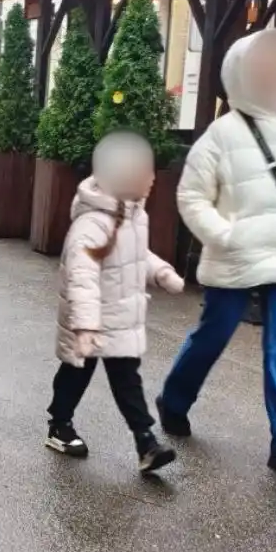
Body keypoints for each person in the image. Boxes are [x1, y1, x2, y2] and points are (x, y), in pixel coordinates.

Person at [157, 27, 276, 484]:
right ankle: (174, 399)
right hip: (236, 257)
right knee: (213, 335)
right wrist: (223, 235)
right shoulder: (221, 135)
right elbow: (191, 196)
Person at [48, 131, 187, 475]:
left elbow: (135, 255)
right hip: (90, 320)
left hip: (119, 317)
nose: (151, 179)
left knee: (127, 379)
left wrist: (160, 271)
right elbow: (81, 277)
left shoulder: (134, 214)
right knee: (76, 372)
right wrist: (85, 326)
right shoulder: (91, 225)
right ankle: (59, 425)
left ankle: (146, 442)